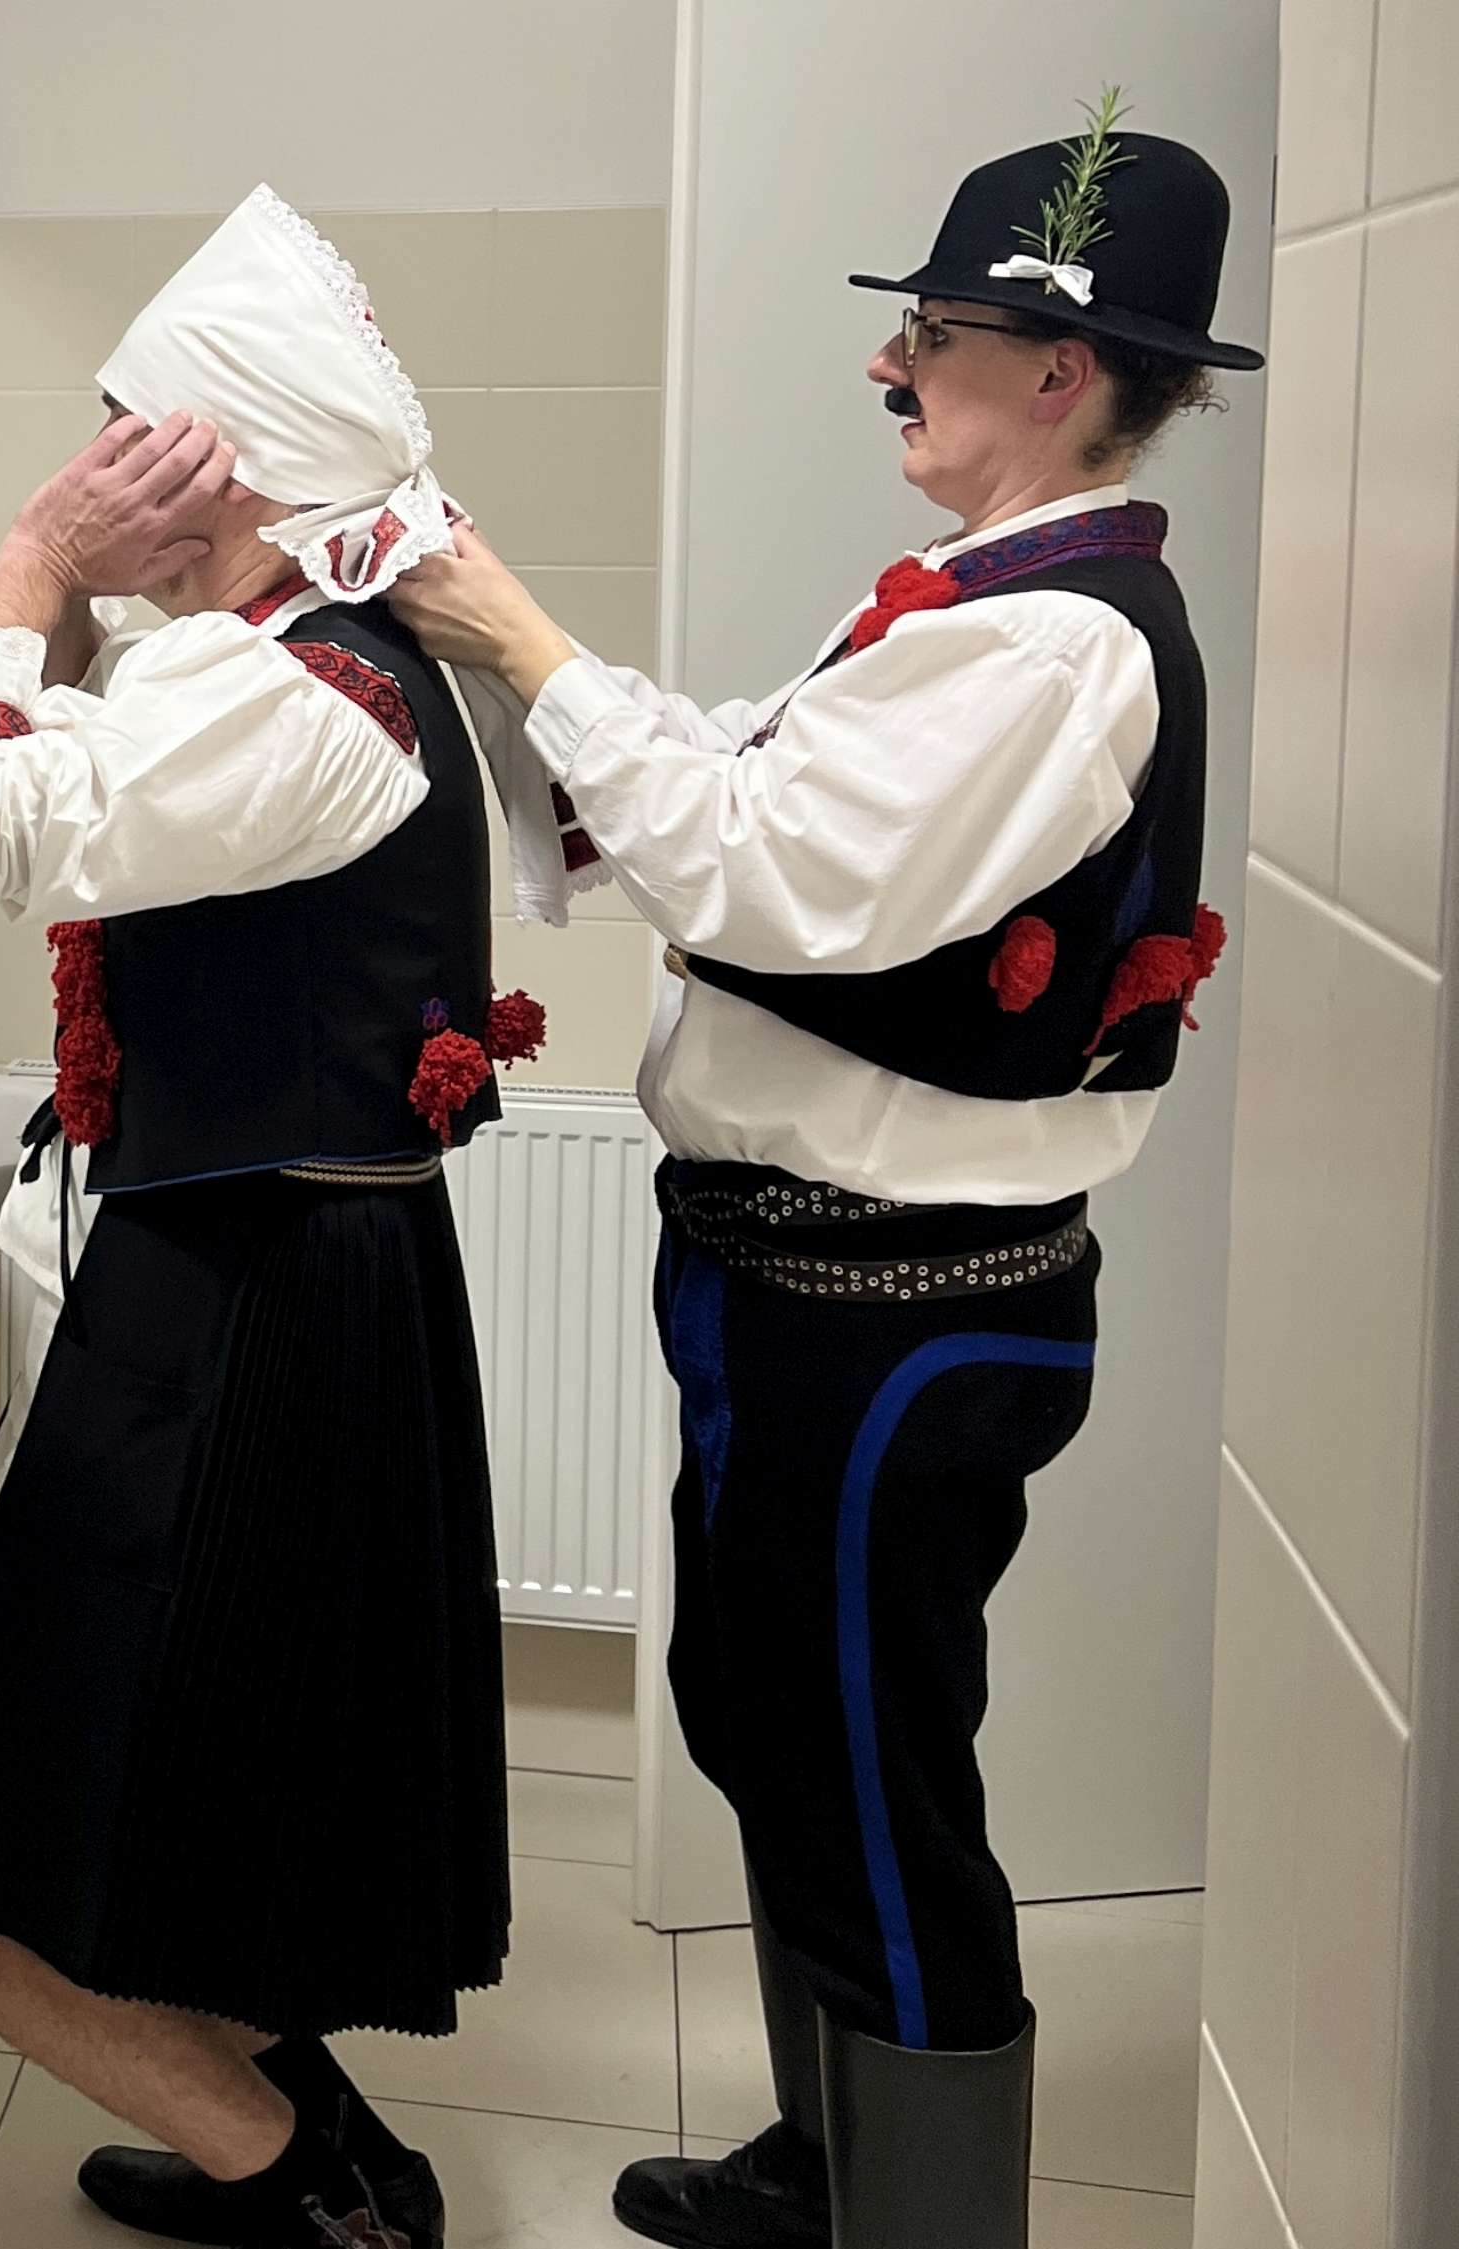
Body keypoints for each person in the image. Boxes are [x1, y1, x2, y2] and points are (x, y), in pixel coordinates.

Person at [385, 105, 1260, 2249]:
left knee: (871, 1779)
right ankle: (830, 2170)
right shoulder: (979, 610)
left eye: (933, 336)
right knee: (779, 1723)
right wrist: (491, 661)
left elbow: (769, 874)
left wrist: (518, 631)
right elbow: (716, 792)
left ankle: (912, 2217)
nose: (891, 367)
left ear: (1059, 372)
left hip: (901, 1311)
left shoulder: (1056, 644)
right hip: (801, 1286)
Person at [0, 186, 554, 2249]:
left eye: (124, 428)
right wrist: (57, 601)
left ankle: (306, 2191)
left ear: (217, 457)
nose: (95, 461)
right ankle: (318, 2156)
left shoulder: (303, 700)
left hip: (246, 1309)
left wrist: (38, 555)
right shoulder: (292, 668)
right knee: (200, 1812)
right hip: (281, 1284)